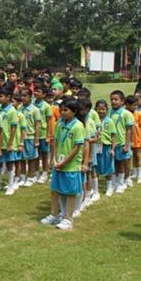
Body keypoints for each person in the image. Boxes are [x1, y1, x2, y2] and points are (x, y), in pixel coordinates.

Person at [41, 98, 86, 230]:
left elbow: (76, 149)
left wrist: (64, 162)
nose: (62, 112)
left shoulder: (78, 126)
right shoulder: (59, 124)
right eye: (61, 110)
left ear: (74, 111)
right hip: (58, 163)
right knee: (55, 190)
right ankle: (55, 214)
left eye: (66, 110)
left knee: (70, 192)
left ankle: (68, 218)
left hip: (71, 165)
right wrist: (53, 159)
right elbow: (55, 142)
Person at [109, 90, 135, 194]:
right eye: (112, 99)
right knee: (113, 164)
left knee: (121, 164)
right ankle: (114, 182)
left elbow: (129, 130)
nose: (113, 101)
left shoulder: (126, 114)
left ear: (122, 101)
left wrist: (127, 144)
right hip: (111, 144)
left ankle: (121, 183)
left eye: (116, 99)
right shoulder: (109, 113)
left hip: (121, 143)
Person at [94, 99, 117, 197]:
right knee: (95, 167)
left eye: (103, 109)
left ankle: (109, 187)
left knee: (109, 168)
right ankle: (95, 189)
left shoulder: (110, 121)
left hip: (107, 146)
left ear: (107, 110)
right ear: (95, 109)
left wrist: (112, 149)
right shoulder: (94, 121)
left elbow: (113, 137)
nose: (101, 111)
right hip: (96, 146)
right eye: (99, 109)